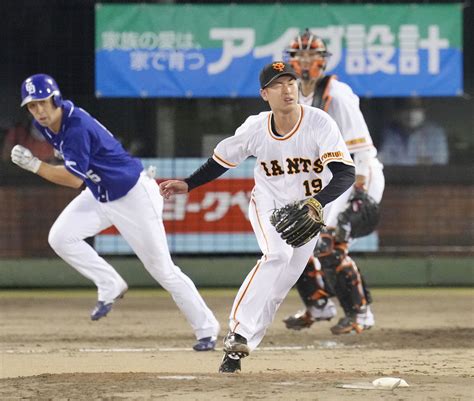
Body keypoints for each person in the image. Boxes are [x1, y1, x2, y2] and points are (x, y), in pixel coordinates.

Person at [159, 61, 355, 373]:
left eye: (290, 82)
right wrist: (189, 183)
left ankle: (236, 353)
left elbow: (346, 174)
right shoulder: (255, 128)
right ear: (265, 94)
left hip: (308, 214)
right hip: (270, 205)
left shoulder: (319, 123)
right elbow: (222, 160)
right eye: (278, 84)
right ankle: (237, 331)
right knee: (276, 255)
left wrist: (317, 204)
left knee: (276, 292)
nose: (287, 88)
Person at [10, 73, 220, 351]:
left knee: (163, 270)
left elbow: (74, 179)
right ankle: (109, 283)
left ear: (55, 99)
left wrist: (36, 166)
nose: (38, 110)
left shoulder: (74, 126)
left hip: (133, 196)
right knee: (61, 237)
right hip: (102, 194)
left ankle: (207, 329)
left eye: (42, 103)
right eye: (32, 106)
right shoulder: (49, 124)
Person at [281, 29, 385, 335]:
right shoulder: (292, 96)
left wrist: (360, 193)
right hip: (327, 179)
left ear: (322, 61)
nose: (304, 60)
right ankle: (319, 306)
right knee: (293, 238)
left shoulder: (336, 95)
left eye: (311, 54)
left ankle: (360, 313)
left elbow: (362, 150)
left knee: (329, 244)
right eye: (299, 54)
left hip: (357, 175)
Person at [379, 97, 449, 165]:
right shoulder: (389, 132)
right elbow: (384, 161)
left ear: (424, 109)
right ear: (398, 110)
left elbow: (440, 162)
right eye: (406, 107)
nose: (411, 112)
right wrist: (420, 161)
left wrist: (405, 161)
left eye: (416, 106)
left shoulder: (436, 133)